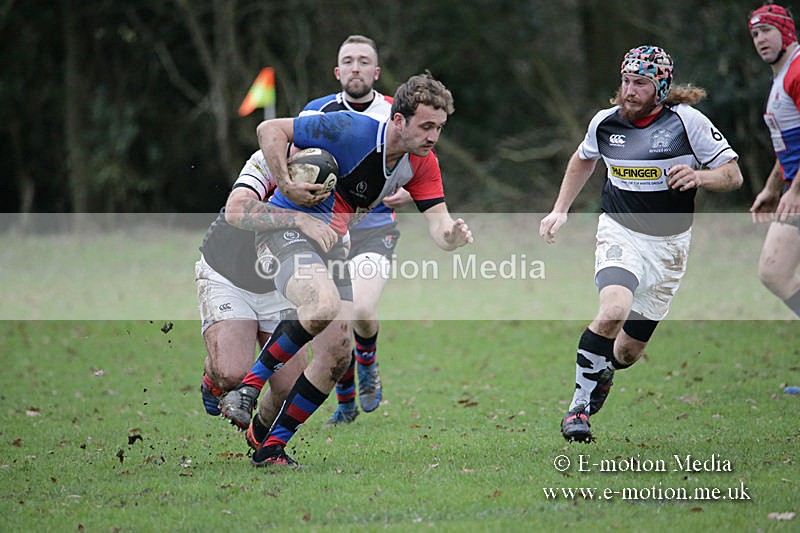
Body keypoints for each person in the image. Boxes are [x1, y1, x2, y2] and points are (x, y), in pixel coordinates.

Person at [219, 72, 473, 467]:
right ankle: (246, 389)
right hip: (286, 231)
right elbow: (269, 129)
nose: (433, 136)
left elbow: (439, 224)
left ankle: (269, 447)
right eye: (426, 126)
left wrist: (451, 237)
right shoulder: (350, 128)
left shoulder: (422, 164)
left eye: (439, 128)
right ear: (399, 120)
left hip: (331, 244)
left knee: (338, 356)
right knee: (321, 305)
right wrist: (286, 184)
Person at [539, 45, 743, 443]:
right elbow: (583, 159)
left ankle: (605, 371)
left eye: (641, 84)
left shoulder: (687, 122)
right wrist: (560, 209)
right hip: (620, 232)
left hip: (669, 248)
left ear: (661, 88)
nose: (629, 91)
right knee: (613, 309)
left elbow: (732, 175)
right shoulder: (606, 123)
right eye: (626, 81)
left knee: (626, 353)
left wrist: (699, 177)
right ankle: (577, 409)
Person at [299, 35, 412, 425]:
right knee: (334, 318)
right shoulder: (317, 112)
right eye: (348, 61)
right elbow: (295, 160)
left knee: (362, 308)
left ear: (376, 72)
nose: (356, 68)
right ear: (337, 71)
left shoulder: (396, 113)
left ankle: (368, 363)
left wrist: (408, 193)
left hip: (374, 228)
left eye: (364, 61)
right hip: (327, 229)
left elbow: (422, 163)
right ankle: (346, 402)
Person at [196, 150, 339, 430]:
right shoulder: (269, 159)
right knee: (232, 372)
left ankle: (258, 432)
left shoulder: (338, 172)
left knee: (289, 387)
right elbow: (236, 209)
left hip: (280, 285)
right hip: (228, 273)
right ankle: (213, 378)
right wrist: (299, 219)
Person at [747, 4, 800, 318]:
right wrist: (772, 188)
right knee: (774, 270)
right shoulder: (782, 75)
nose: (760, 39)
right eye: (755, 34)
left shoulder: (797, 71)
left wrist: (796, 192)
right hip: (792, 187)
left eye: (766, 30)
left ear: (786, 31)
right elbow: (788, 147)